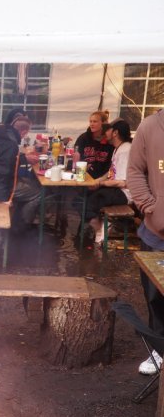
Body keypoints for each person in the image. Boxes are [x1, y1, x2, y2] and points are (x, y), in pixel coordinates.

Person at [127, 109, 164, 375]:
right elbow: (135, 171)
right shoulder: (150, 127)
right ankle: (159, 350)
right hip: (157, 232)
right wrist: (150, 206)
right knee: (155, 297)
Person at [0, 107, 42, 232]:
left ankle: (17, 217)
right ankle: (20, 228)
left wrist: (23, 158)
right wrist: (5, 199)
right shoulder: (10, 144)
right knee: (39, 193)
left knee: (30, 183)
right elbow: (1, 175)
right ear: (23, 132)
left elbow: (3, 161)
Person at [84, 119, 133, 244]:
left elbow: (123, 182)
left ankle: (101, 229)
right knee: (82, 195)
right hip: (115, 189)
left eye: (108, 130)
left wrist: (100, 183)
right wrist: (96, 181)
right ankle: (101, 226)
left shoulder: (126, 150)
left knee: (88, 202)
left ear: (115, 133)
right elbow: (111, 172)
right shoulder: (118, 148)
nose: (105, 132)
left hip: (124, 193)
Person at [74, 110, 115, 179]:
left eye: (95, 121)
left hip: (102, 179)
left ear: (104, 123)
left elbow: (111, 164)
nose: (91, 124)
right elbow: (76, 158)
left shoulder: (109, 141)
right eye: (90, 121)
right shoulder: (83, 138)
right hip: (83, 176)